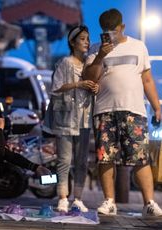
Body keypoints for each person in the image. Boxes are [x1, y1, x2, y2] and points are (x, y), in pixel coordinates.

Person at [83, 8, 162, 217]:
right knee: (105, 157)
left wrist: (156, 106)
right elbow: (90, 78)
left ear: (122, 27)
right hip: (104, 110)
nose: (110, 34)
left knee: (140, 158)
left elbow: (147, 79)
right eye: (105, 31)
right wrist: (101, 55)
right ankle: (109, 201)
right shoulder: (95, 50)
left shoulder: (139, 46)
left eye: (114, 30)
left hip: (134, 110)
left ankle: (149, 203)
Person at [46, 25, 99, 213]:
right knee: (64, 160)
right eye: (83, 38)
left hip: (84, 118)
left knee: (82, 160)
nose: (87, 42)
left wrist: (94, 88)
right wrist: (78, 83)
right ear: (72, 41)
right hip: (66, 117)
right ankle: (62, 197)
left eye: (88, 38)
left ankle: (78, 198)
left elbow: (95, 84)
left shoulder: (89, 64)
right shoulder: (65, 62)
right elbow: (56, 87)